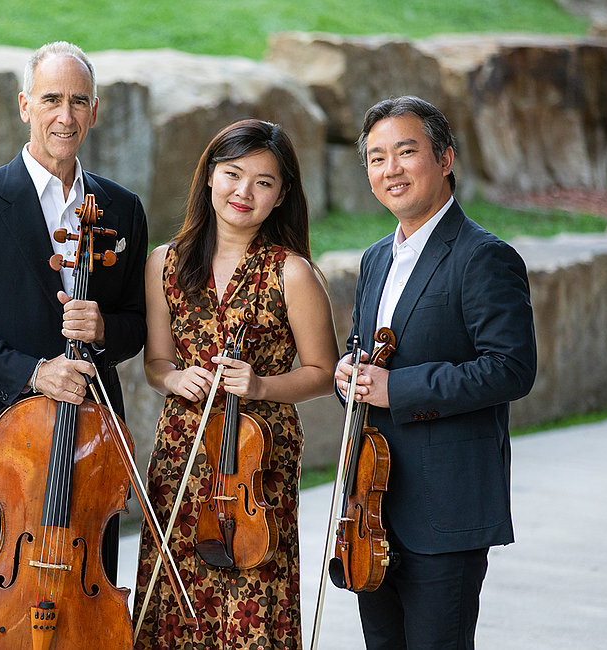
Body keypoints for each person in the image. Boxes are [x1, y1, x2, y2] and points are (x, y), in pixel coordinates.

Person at [0, 41, 148, 582]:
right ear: (25, 105)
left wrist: (104, 329)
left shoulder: (122, 209)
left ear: (94, 112)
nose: (65, 115)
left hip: (92, 439)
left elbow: (136, 324)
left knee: (89, 592)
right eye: (52, 99)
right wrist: (32, 373)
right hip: (4, 442)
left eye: (79, 101)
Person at [335, 96, 537, 650]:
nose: (390, 169)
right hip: (370, 513)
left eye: (406, 151)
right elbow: (365, 352)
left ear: (445, 159)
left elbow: (511, 369)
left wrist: (394, 388)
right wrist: (347, 375)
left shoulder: (483, 257)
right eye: (377, 158)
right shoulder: (377, 258)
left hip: (445, 509)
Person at [132, 118, 340, 649]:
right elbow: (156, 363)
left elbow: (323, 373)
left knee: (253, 597)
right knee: (175, 594)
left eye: (263, 182)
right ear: (208, 177)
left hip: (257, 460)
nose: (243, 192)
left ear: (281, 194)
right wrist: (176, 377)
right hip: (185, 450)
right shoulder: (165, 264)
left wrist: (261, 385)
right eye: (232, 174)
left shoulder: (292, 272)